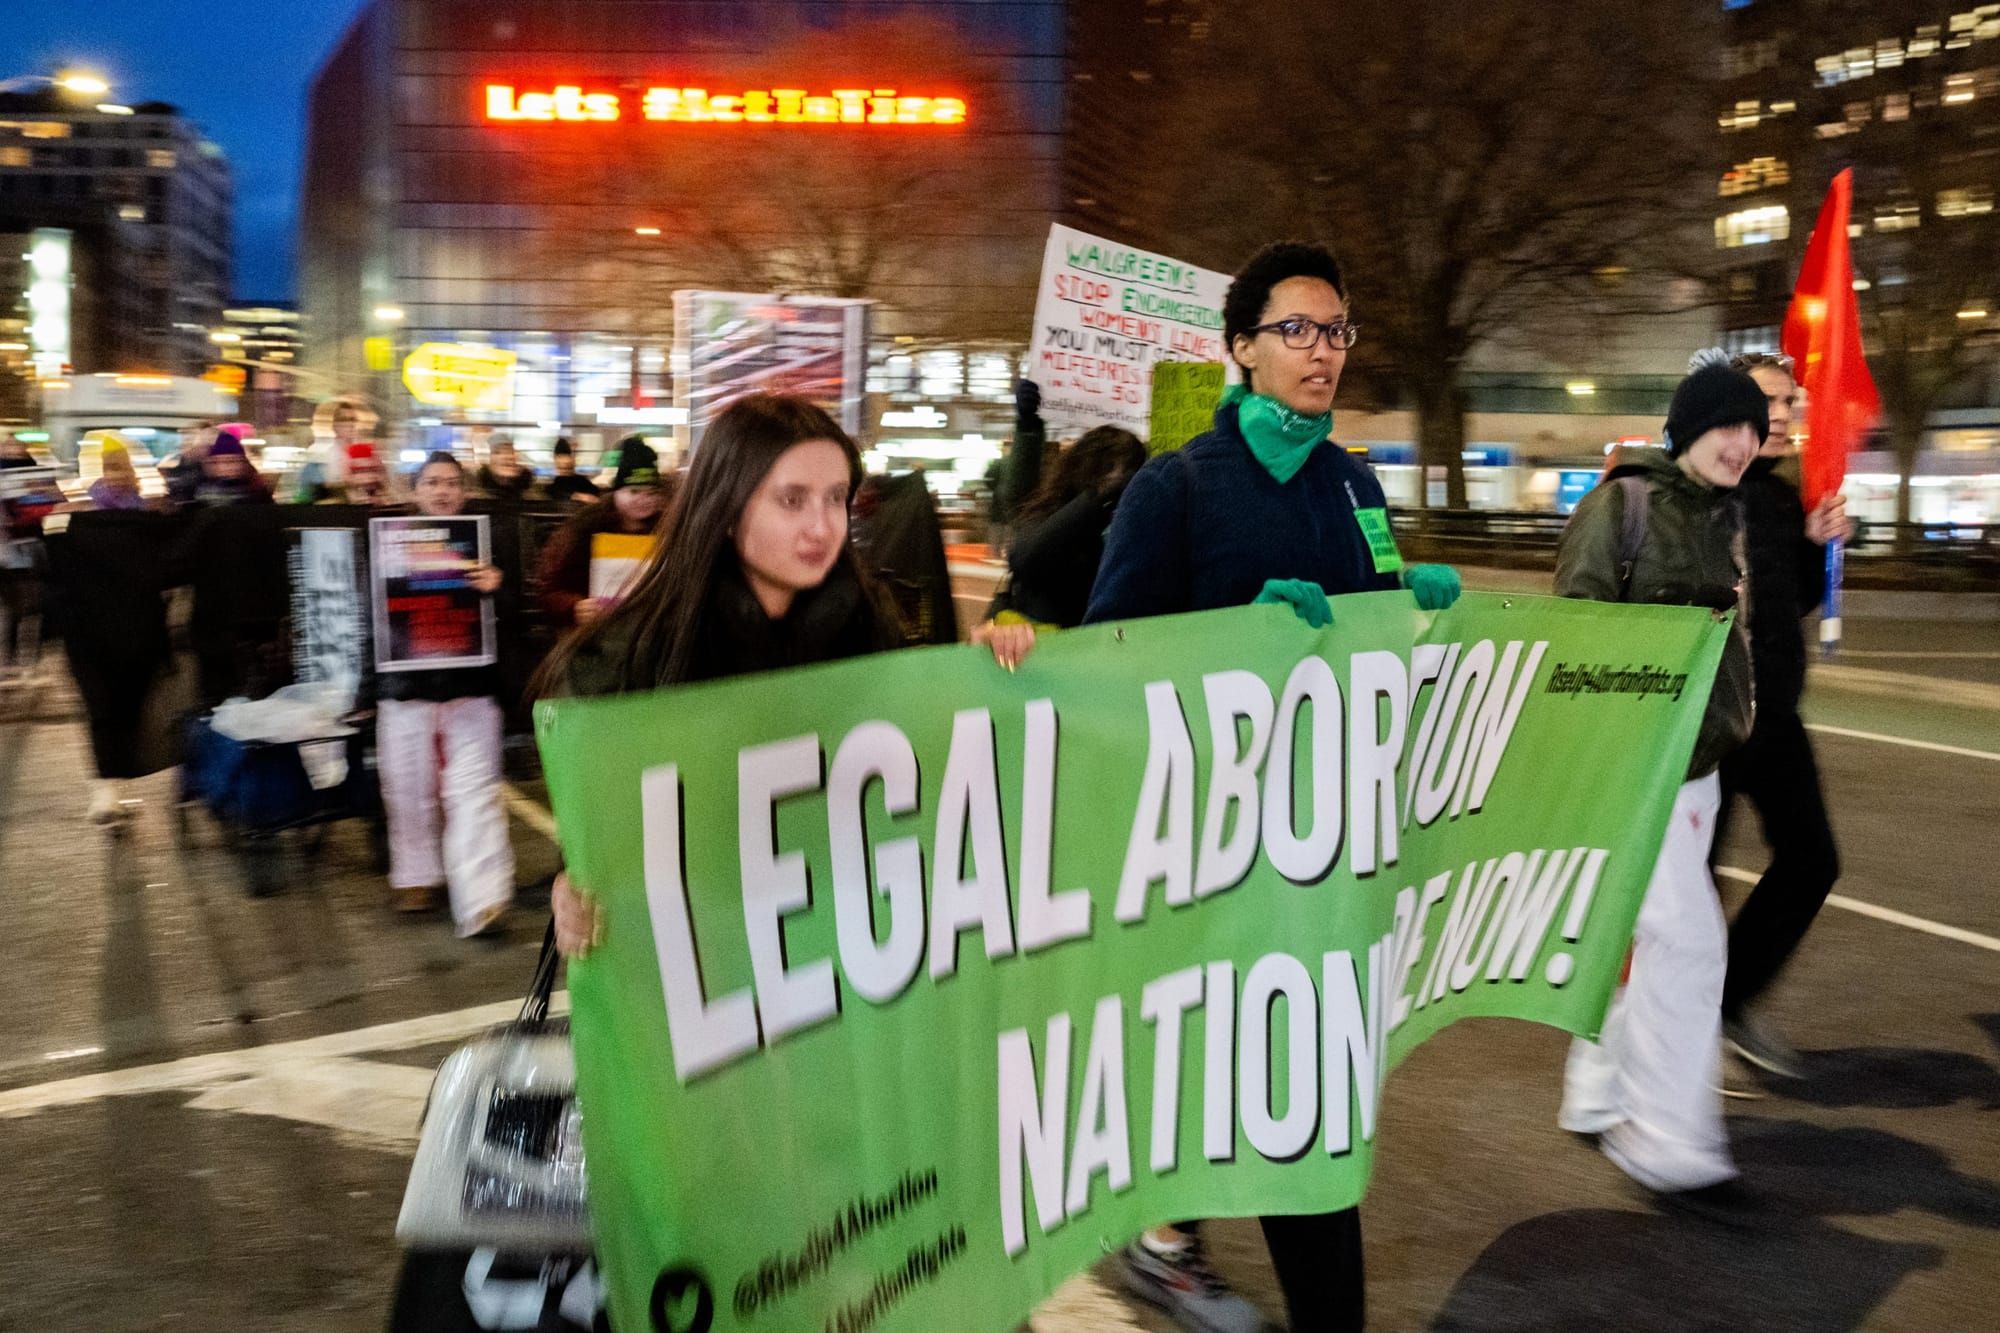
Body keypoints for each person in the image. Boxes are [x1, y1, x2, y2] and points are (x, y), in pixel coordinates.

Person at [1082, 241, 1461, 1333]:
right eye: (1294, 329)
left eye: (1335, 330)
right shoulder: (1177, 485)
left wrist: (1413, 609)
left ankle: (1166, 1233)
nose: (1321, 350)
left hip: (1326, 844)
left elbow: (1377, 631)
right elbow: (1106, 654)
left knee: (1283, 1088)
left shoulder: (1354, 483)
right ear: (1239, 349)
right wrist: (1234, 635)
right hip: (1212, 848)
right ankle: (1180, 1241)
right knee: (1279, 1096)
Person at [546, 394, 1007, 951]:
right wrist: (572, 887)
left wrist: (986, 676)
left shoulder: (873, 620)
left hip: (844, 952)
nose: (822, 526)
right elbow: (595, 821)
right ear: (726, 506)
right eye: (792, 500)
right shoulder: (631, 650)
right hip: (708, 962)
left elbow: (922, 762)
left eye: (836, 498)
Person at [1555, 349, 1761, 1218]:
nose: (1744, 441)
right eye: (1727, 422)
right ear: (1685, 425)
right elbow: (1575, 635)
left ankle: (1597, 1092)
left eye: (1755, 428)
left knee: (1631, 936)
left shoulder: (1718, 515)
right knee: (1688, 943)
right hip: (1643, 766)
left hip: (1698, 763)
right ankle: (1665, 1141)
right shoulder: (1623, 505)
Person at [1715, 352, 1846, 1080]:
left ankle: (1728, 999)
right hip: (1707, 725)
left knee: (1813, 859)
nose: (1788, 416)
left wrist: (1816, 548)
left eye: (1792, 402)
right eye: (1773, 400)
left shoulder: (1781, 497)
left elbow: (1788, 603)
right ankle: (1646, 1041)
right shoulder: (1699, 490)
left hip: (1776, 719)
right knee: (1689, 890)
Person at [375, 452, 514, 936]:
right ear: (415, 491)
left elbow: (513, 613)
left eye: (451, 483)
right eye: (432, 483)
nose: (442, 492)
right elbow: (373, 616)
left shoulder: (488, 540)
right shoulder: (387, 544)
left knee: (474, 792)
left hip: (470, 690)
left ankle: (484, 898)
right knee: (408, 789)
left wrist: (497, 586)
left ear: (464, 490)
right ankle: (417, 877)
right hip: (407, 689)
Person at [45, 442, 176, 822]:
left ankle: (117, 786)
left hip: (137, 630)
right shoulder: (80, 515)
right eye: (110, 468)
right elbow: (53, 558)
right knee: (101, 708)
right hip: (89, 631)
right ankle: (106, 790)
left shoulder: (145, 515)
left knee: (129, 709)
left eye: (120, 468)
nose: (116, 475)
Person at [981, 419, 1145, 629]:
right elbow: (1025, 559)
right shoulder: (1054, 510)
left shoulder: (1131, 522)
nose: (1117, 478)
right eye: (1110, 467)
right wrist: (1095, 500)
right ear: (1086, 468)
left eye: (1128, 470)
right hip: (1046, 647)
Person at [535, 436, 671, 630]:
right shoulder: (584, 528)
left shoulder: (668, 530)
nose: (643, 499)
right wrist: (574, 607)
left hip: (650, 638)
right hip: (594, 641)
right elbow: (548, 588)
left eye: (651, 493)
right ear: (616, 491)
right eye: (634, 491)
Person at [192, 428, 273, 508]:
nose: (227, 466)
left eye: (232, 461)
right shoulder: (200, 491)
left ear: (243, 462)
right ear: (213, 464)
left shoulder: (257, 490)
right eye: (220, 461)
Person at [477, 437, 538, 503]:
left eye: (511, 452)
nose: (507, 457)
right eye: (497, 452)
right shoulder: (476, 495)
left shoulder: (531, 495)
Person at [546, 438, 600, 504]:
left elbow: (596, 493)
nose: (565, 462)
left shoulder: (581, 481)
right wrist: (578, 496)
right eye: (560, 457)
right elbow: (557, 493)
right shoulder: (554, 487)